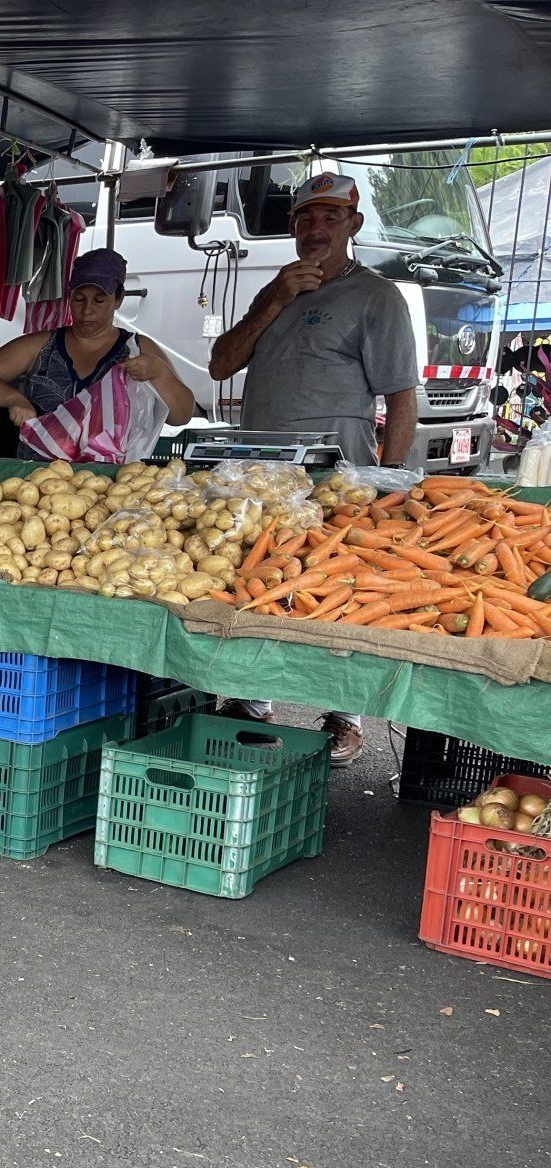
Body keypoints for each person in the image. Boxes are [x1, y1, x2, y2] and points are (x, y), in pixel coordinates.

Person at [207, 172, 420, 767]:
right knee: (256, 580)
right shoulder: (276, 287)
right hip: (260, 470)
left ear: (353, 225)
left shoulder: (375, 297)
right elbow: (222, 364)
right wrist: (275, 299)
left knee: (330, 589)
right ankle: (252, 704)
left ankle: (343, 716)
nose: (316, 229)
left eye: (330, 218)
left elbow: (402, 396)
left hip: (336, 473)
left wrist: (391, 479)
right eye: (305, 219)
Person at [0, 248, 195, 459]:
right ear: (69, 298)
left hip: (108, 482)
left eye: (100, 300)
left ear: (119, 300)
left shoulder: (139, 348)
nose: (87, 311)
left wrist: (159, 374)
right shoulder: (42, 345)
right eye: (79, 299)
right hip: (36, 480)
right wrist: (14, 399)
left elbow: (181, 415)